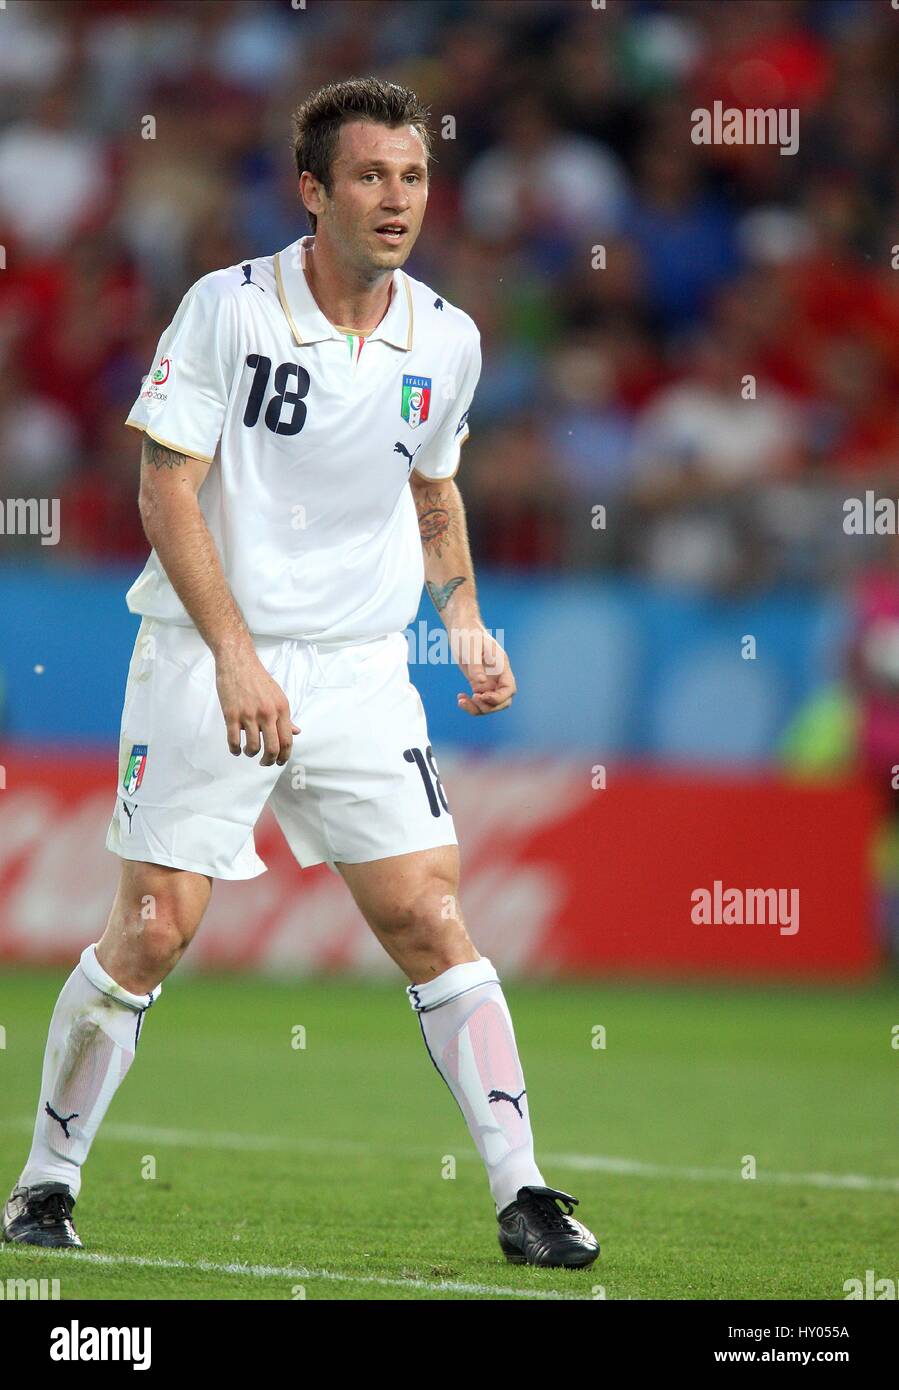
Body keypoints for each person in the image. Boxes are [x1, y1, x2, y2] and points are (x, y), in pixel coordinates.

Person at [3, 78, 598, 1269]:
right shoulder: (227, 310)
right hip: (203, 654)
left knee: (432, 918)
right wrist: (233, 654)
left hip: (362, 669)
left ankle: (525, 1191)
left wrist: (465, 620)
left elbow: (434, 487)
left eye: (414, 176)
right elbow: (164, 486)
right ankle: (45, 1184)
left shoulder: (450, 338)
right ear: (313, 191)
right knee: (155, 929)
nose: (397, 199)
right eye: (371, 176)